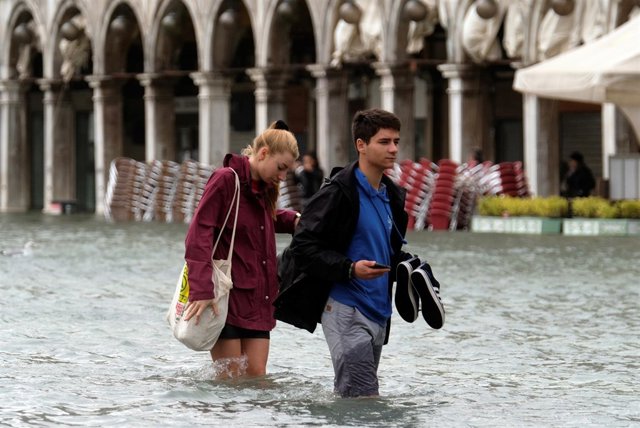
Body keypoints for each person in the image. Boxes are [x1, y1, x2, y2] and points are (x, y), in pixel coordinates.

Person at [275, 108, 444, 398]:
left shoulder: (391, 195)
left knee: (356, 400)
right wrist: (349, 269)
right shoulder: (338, 193)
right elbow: (303, 247)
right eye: (384, 142)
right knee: (364, 400)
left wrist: (408, 268)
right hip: (345, 310)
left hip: (379, 312)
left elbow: (383, 249)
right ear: (361, 145)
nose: (393, 149)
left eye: (396, 141)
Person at [183, 120, 300, 378]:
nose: (282, 176)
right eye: (281, 168)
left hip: (259, 297)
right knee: (230, 379)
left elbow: (258, 219)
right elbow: (198, 234)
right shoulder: (226, 180)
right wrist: (202, 290)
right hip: (225, 297)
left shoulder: (264, 189)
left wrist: (293, 220)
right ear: (263, 153)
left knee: (258, 377)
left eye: (287, 171)